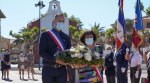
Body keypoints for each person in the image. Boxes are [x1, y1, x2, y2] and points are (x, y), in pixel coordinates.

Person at [39, 14, 71, 83]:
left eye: (63, 21)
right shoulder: (45, 35)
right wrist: (55, 60)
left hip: (62, 70)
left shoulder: (66, 37)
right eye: (59, 21)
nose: (61, 23)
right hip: (48, 69)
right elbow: (42, 52)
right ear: (54, 21)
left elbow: (69, 54)